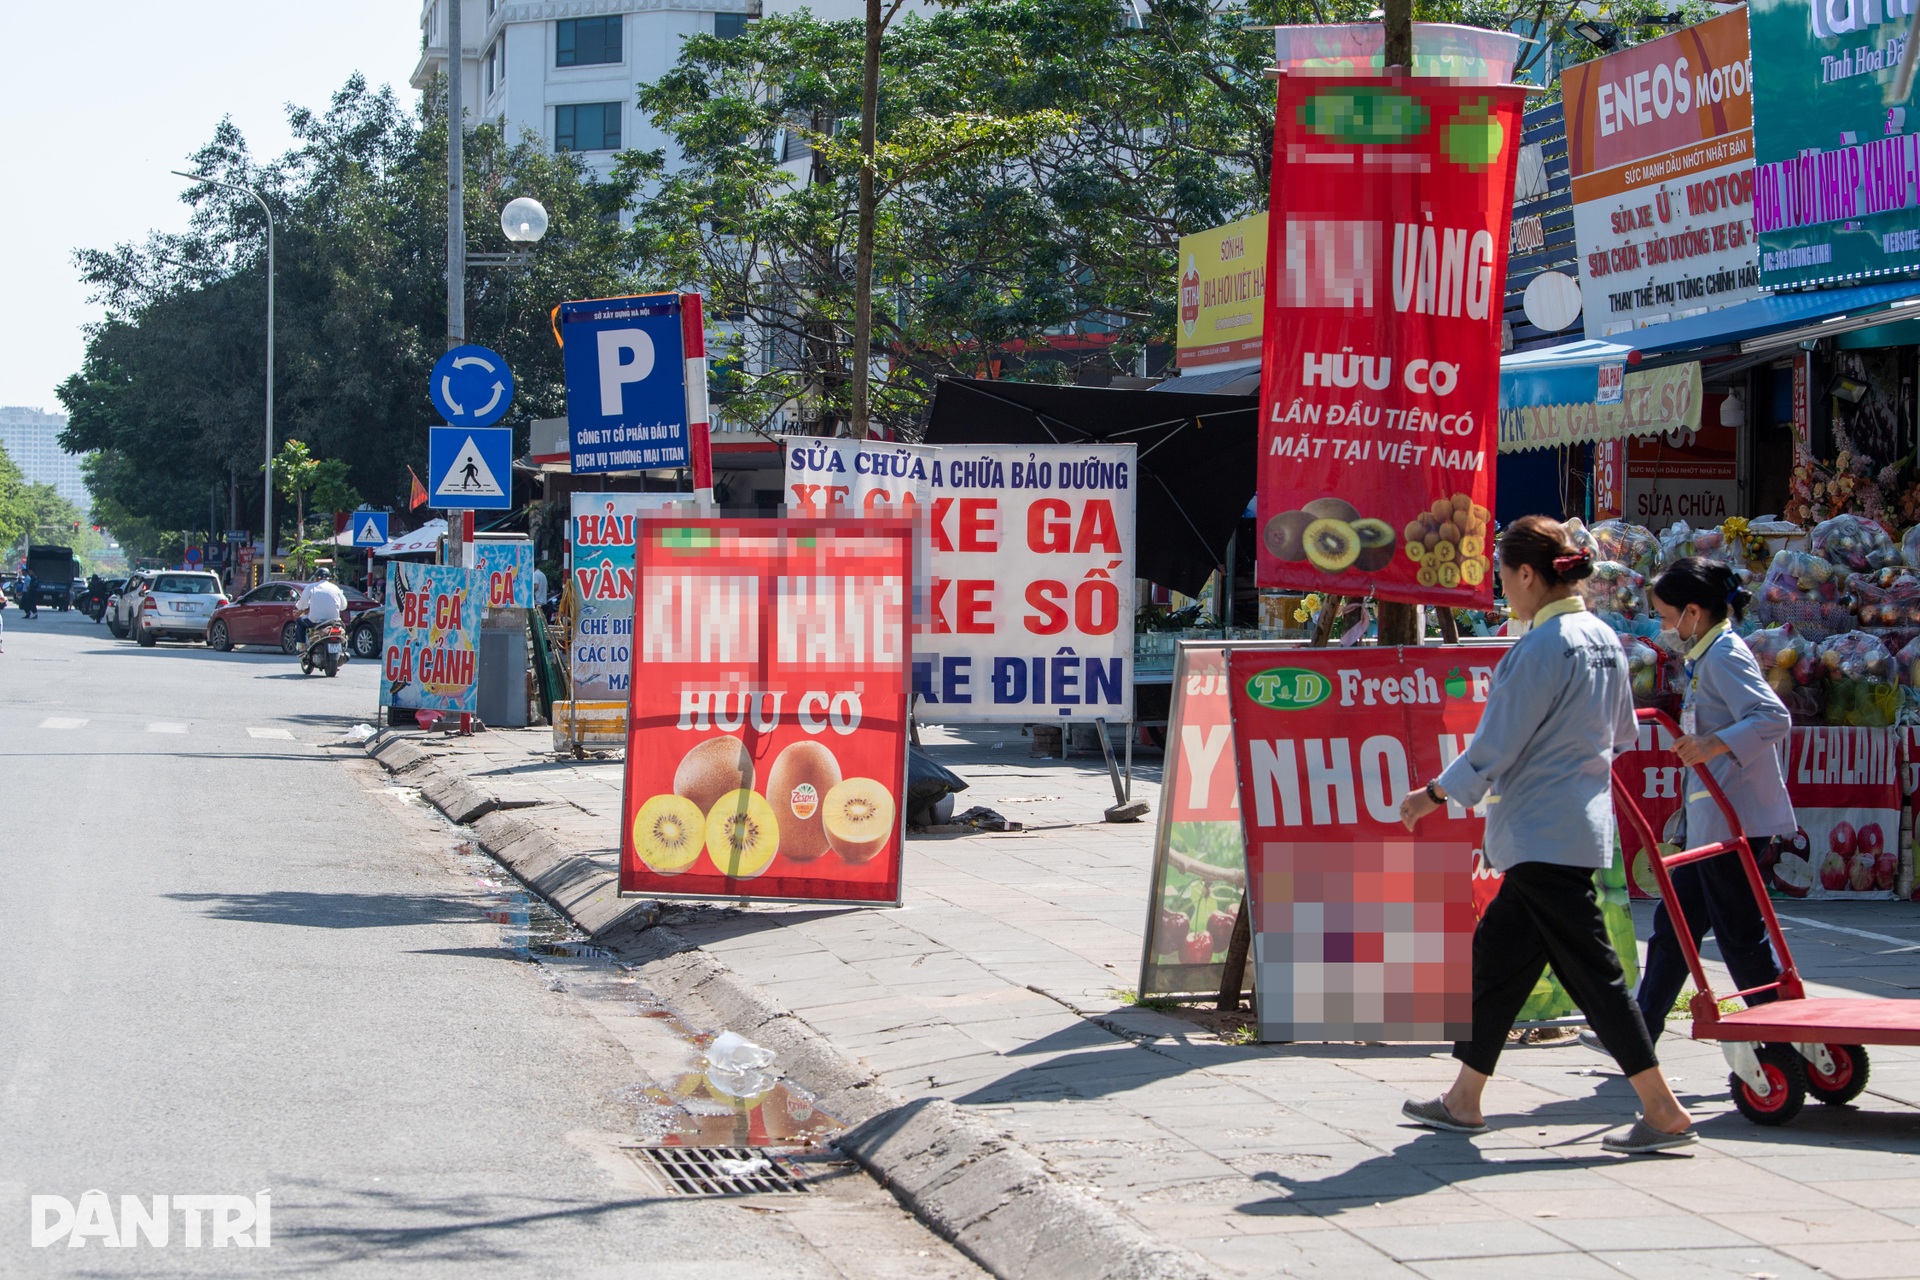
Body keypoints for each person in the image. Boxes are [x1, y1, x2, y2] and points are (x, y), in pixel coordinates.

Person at [1397, 515, 1696, 1154]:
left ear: (1528, 575)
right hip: (1575, 823)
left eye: (1506, 578)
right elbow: (1623, 737)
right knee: (1498, 959)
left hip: (1540, 830)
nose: (1505, 591)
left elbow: (1494, 747)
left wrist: (1433, 794)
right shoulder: (1605, 639)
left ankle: (1662, 1108)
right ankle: (1464, 1097)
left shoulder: (1536, 649)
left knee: (1595, 976)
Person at [1619, 556, 1791, 1044]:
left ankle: (1787, 1034)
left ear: (1694, 612)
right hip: (1711, 817)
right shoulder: (1707, 655)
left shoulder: (1724, 656)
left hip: (1734, 819)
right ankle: (1639, 1032)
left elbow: (1773, 718)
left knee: (1740, 937)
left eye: (1669, 616)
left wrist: (1713, 744)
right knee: (1675, 926)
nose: (1665, 627)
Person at [296, 568, 348, 650]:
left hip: (315, 621)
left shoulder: (311, 587)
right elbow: (344, 606)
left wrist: (299, 607)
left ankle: (301, 647)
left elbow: (302, 605)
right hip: (334, 621)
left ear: (316, 578)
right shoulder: (335, 588)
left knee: (299, 621)